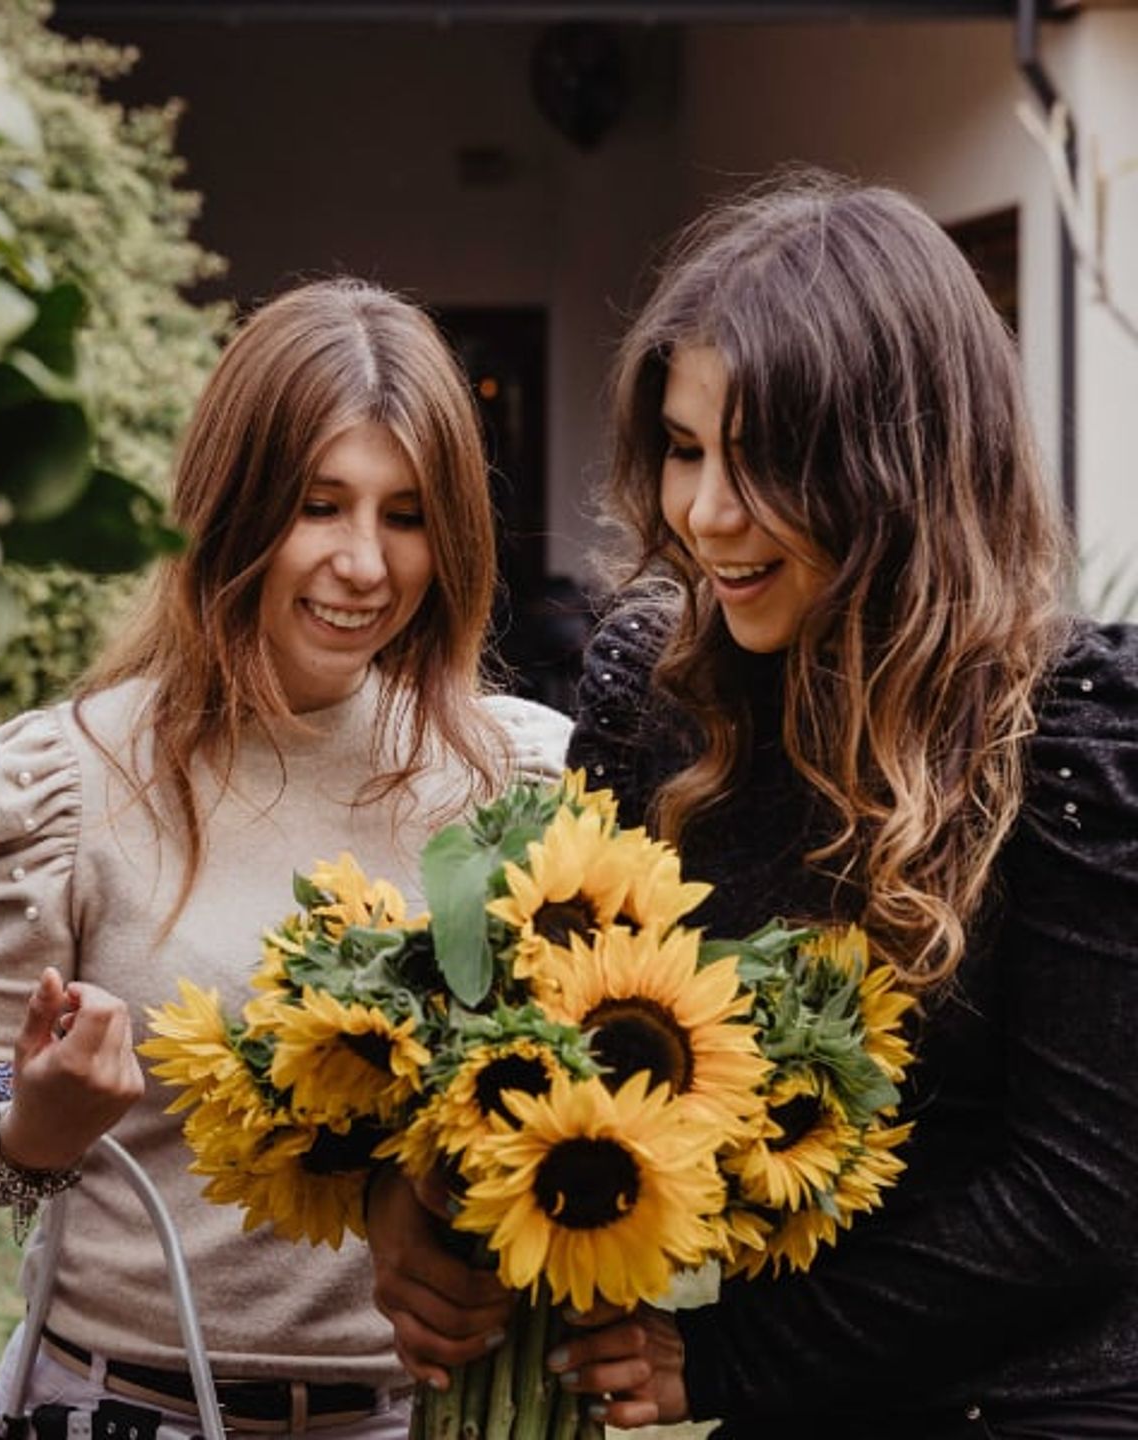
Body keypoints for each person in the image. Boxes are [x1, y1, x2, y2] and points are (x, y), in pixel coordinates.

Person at [365, 172, 1138, 1437]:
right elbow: (567, 1031)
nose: (708, 514)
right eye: (684, 449)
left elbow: (1082, 1199)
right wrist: (429, 1188)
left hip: (1039, 1403)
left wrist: (725, 1362)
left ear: (901, 467)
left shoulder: (1071, 734)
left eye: (765, 460)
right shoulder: (652, 695)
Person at [0, 278, 573, 1439]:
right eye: (321, 505)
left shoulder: (513, 781)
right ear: (234, 502)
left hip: (418, 1418)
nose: (365, 563)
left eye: (407, 515)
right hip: (126, 1408)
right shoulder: (60, 785)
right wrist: (33, 1125)